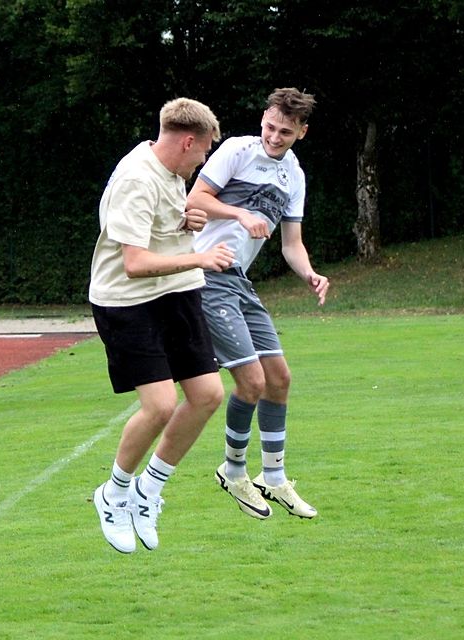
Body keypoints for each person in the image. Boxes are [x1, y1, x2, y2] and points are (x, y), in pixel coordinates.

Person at [89, 97, 235, 553]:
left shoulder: (173, 173)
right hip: (127, 303)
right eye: (205, 150)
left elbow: (161, 231)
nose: (205, 160)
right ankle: (113, 494)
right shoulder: (136, 178)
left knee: (209, 395)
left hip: (175, 292)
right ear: (187, 141)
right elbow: (133, 263)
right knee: (159, 405)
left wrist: (186, 222)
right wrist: (200, 256)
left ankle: (148, 492)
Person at [187, 87, 329, 520]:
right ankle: (232, 471)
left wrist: (309, 273)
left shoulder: (296, 177)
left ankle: (274, 476)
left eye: (285, 131)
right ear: (262, 120)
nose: (274, 137)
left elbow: (292, 244)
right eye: (270, 126)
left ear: (301, 132)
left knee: (279, 378)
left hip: (240, 283)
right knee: (251, 381)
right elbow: (195, 200)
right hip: (206, 275)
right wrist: (240, 215)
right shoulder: (237, 150)